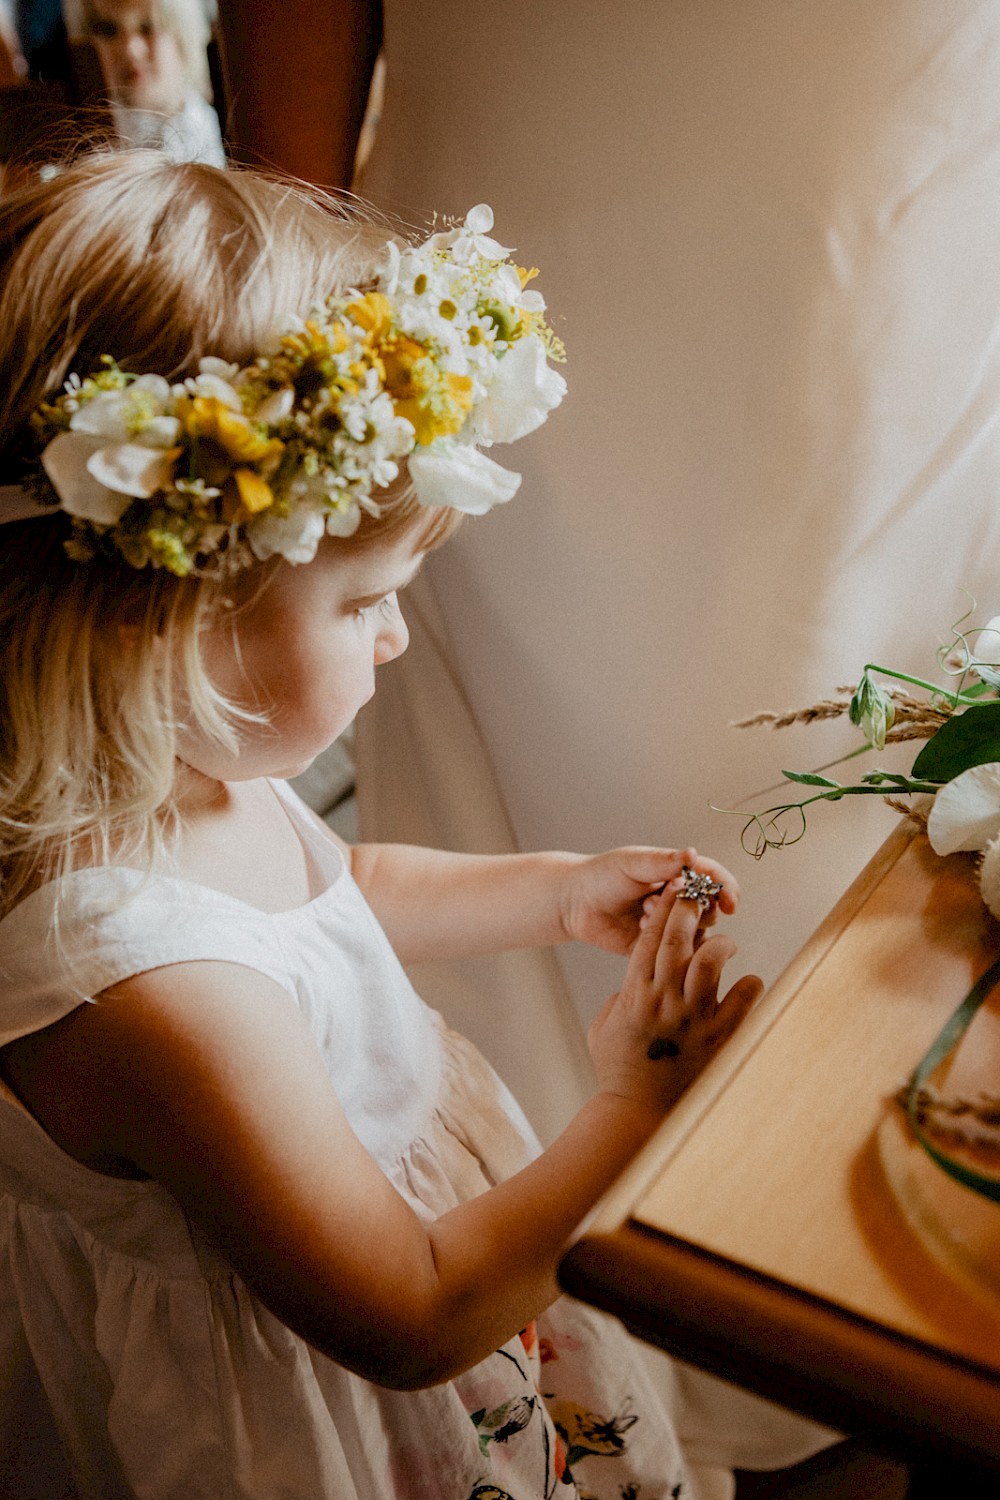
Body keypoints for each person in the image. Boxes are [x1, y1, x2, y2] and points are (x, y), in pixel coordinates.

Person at [0, 152, 769, 1500]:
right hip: (342, 1423)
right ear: (157, 623)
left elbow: (333, 887)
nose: (400, 634)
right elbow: (410, 1312)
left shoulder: (167, 770)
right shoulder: (145, 994)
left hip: (456, 1280)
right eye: (360, 604)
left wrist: (552, 887)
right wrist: (636, 1110)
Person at [62, 0, 224, 164]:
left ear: (183, 32)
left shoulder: (223, 131)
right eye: (109, 30)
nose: (131, 50)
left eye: (147, 28)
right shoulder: (80, 139)